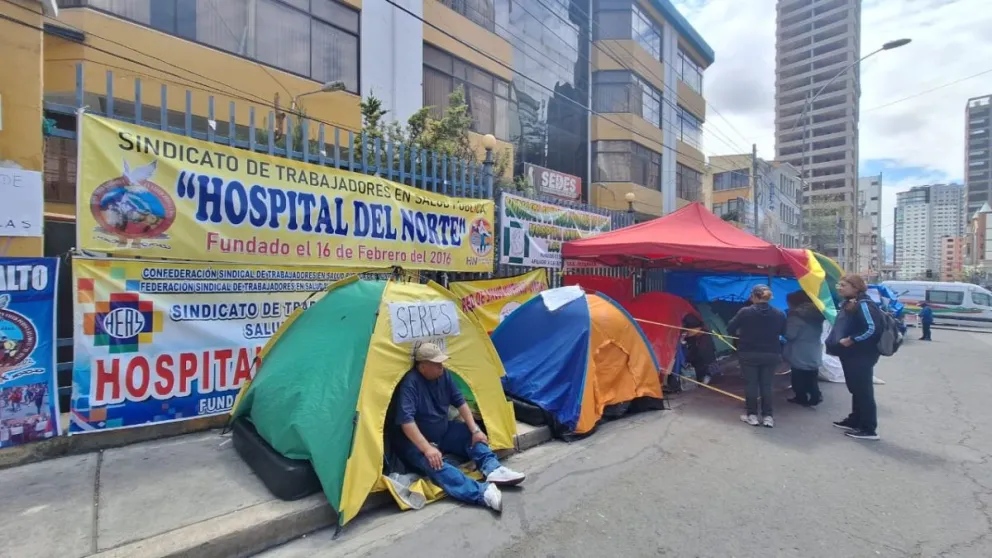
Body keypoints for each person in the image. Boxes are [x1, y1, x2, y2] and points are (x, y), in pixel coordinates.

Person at [392, 343, 525, 513]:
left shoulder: (444, 375)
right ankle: (481, 493)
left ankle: (493, 468)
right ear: (422, 366)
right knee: (435, 464)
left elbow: (460, 402)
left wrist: (475, 429)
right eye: (436, 364)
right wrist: (427, 449)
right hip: (417, 442)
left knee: (470, 434)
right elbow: (406, 422)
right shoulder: (410, 384)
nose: (441, 367)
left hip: (443, 430)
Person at [826, 274, 883, 441]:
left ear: (855, 288)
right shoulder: (851, 303)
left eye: (843, 285)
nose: (839, 288)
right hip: (850, 355)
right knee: (855, 389)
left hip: (861, 355)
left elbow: (872, 329)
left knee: (863, 391)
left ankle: (868, 428)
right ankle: (855, 419)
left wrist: (852, 339)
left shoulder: (865, 305)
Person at [727, 285, 787, 428]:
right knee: (767, 385)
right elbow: (784, 331)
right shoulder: (779, 314)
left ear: (753, 296)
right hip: (771, 352)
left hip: (748, 352)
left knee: (751, 384)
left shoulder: (745, 312)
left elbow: (730, 328)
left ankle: (752, 415)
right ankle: (768, 416)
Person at [783, 291, 824, 407]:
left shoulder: (795, 315)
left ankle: (801, 397)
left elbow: (790, 334)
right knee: (812, 374)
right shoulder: (817, 313)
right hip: (813, 347)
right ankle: (815, 395)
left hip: (798, 349)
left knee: (798, 375)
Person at [681, 315, 717, 385]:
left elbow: (702, 354)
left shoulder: (703, 337)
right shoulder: (693, 337)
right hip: (700, 363)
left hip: (704, 364)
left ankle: (707, 376)